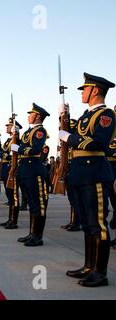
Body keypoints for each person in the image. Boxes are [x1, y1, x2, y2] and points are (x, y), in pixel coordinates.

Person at [59, 73, 115, 287]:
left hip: (95, 174)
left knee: (97, 224)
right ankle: (88, 266)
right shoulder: (85, 116)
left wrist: (69, 137)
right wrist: (64, 117)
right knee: (86, 224)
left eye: (85, 89)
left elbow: (98, 142)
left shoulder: (105, 114)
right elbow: (73, 131)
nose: (82, 92)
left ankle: (100, 273)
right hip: (80, 175)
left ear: (95, 91)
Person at [12, 103, 50, 247]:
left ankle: (38, 236)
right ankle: (32, 233)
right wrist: (16, 137)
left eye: (31, 114)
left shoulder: (40, 131)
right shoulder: (29, 132)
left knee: (38, 204)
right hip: (25, 171)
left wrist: (19, 148)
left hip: (34, 170)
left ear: (38, 116)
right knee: (32, 204)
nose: (29, 116)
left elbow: (35, 149)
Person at [0, 118, 23, 229]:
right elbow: (5, 152)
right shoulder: (8, 140)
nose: (7, 127)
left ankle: (14, 221)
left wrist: (5, 156)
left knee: (14, 195)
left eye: (9, 125)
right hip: (7, 168)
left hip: (13, 167)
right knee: (10, 195)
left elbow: (17, 152)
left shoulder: (17, 139)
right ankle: (10, 219)